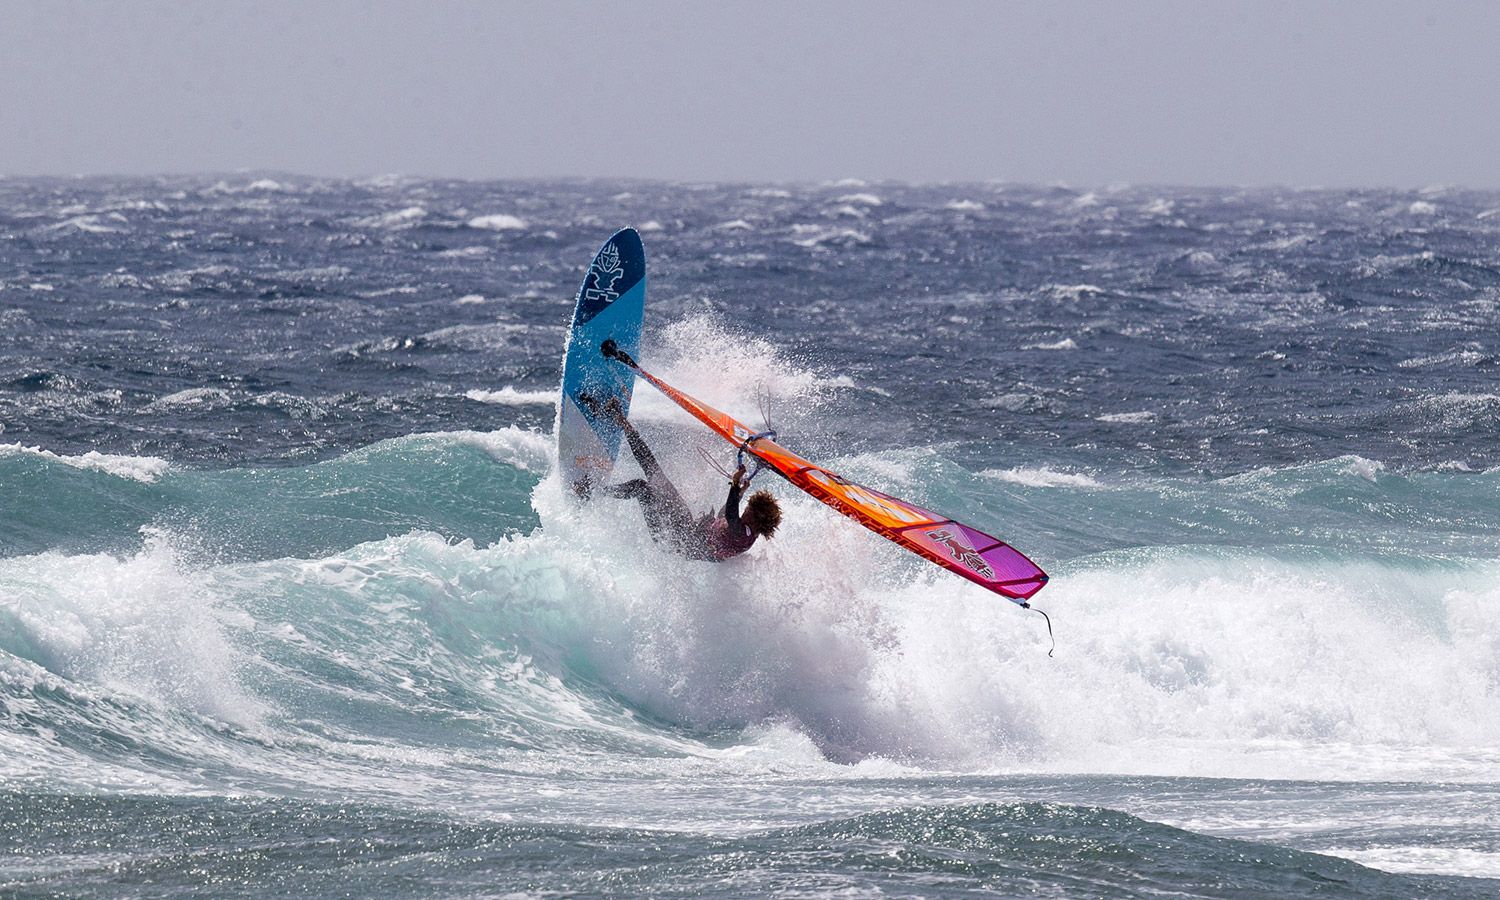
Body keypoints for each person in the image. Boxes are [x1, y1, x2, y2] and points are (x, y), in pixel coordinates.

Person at [586, 395, 781, 561]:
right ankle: (621, 421)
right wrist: (739, 493)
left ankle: (591, 491)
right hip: (685, 526)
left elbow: (730, 515)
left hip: (672, 541)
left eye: (748, 510)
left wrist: (734, 484)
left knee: (641, 487)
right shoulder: (741, 529)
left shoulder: (744, 536)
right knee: (655, 473)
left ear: (758, 518)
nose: (744, 511)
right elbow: (724, 516)